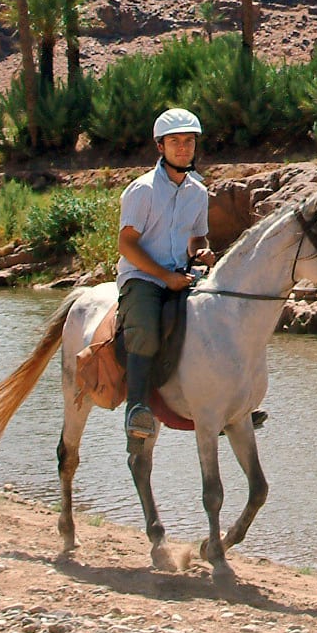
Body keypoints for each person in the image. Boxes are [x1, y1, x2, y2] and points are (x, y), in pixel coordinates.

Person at [116, 107, 212, 446]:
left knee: (221, 313)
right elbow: (126, 244)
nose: (183, 148)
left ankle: (226, 403)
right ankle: (137, 407)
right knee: (144, 327)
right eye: (175, 142)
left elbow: (198, 238)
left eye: (189, 141)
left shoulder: (198, 192)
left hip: (181, 274)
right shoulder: (142, 190)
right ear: (160, 146)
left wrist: (202, 252)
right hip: (143, 277)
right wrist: (163, 277)